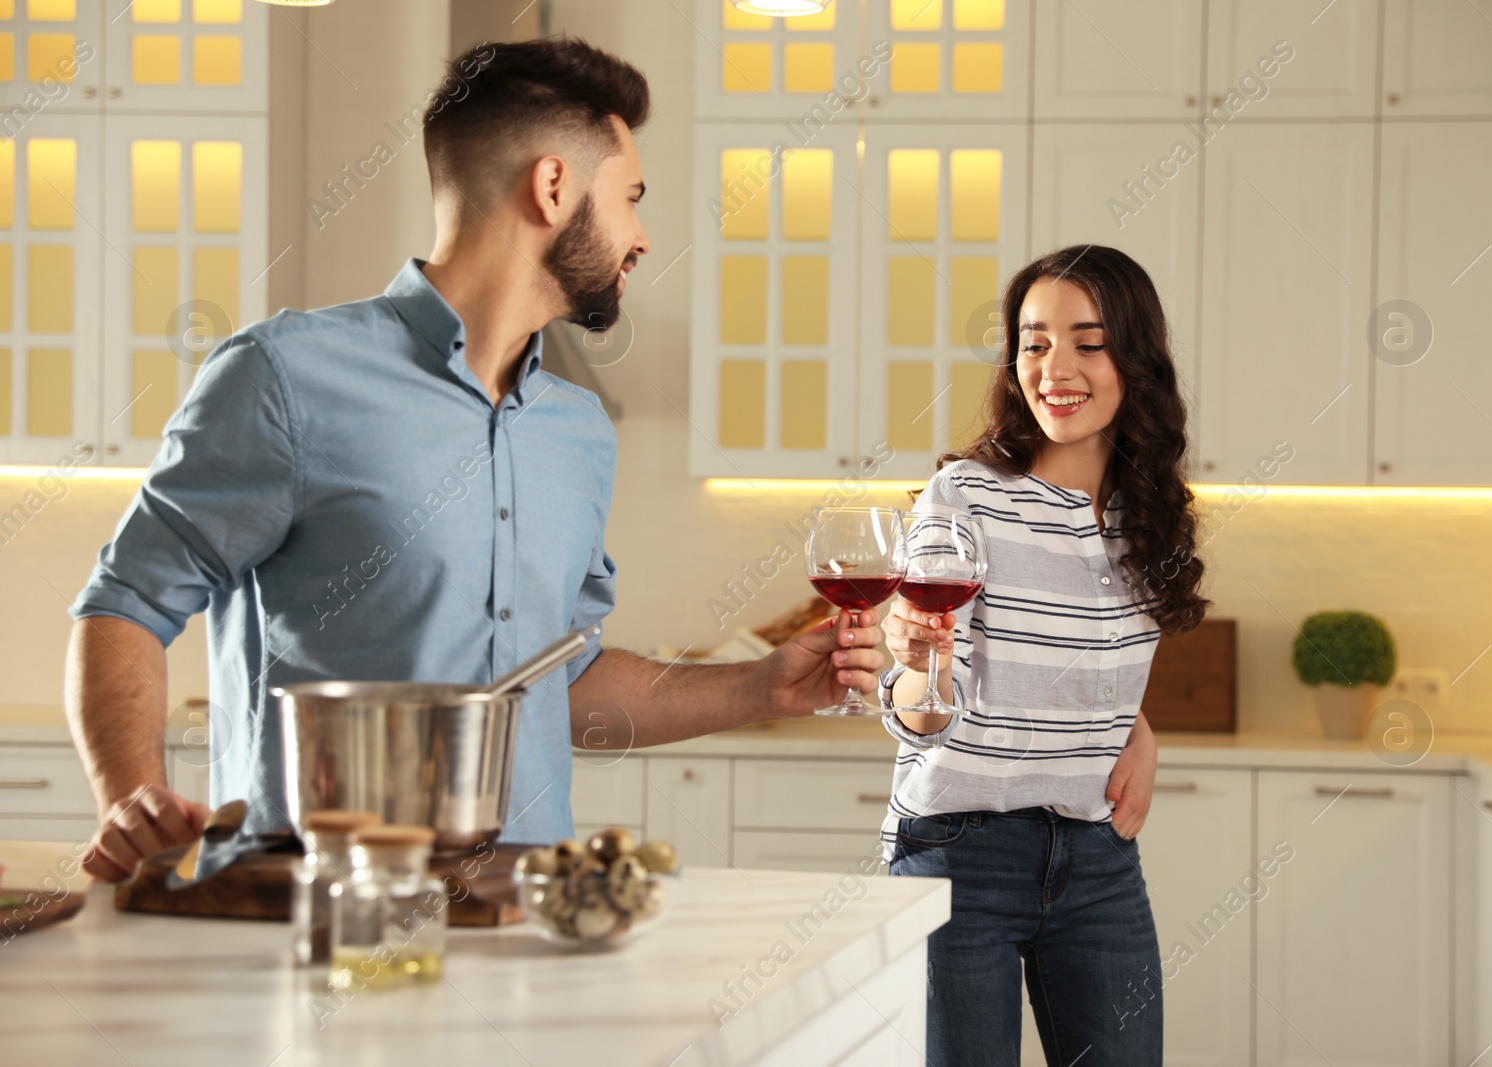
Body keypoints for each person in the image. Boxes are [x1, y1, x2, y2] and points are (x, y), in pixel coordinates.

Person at [64, 37, 886, 882]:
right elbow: (125, 601)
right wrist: (133, 798)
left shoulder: (577, 430)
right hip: (313, 907)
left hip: (522, 912)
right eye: (631, 198)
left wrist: (762, 687)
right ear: (554, 185)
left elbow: (561, 684)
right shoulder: (283, 377)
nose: (640, 237)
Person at [879, 245, 1209, 1065]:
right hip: (958, 854)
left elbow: (1085, 659)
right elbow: (919, 721)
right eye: (1033, 342)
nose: (1055, 367)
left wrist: (1137, 727)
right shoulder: (965, 497)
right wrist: (920, 663)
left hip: (1097, 860)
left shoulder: (1150, 513)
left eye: (1087, 342)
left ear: (1135, 356)